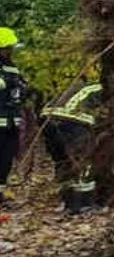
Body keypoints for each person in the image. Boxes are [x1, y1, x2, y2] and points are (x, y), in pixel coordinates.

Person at [42, 81, 103, 214]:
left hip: (48, 119)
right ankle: (85, 204)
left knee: (62, 161)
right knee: (84, 161)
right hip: (72, 120)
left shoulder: (83, 87)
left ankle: (69, 202)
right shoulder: (106, 90)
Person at [0, 28, 27, 204]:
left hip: (11, 122)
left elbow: (19, 88)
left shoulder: (11, 66)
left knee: (6, 158)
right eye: (7, 47)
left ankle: (0, 192)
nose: (10, 51)